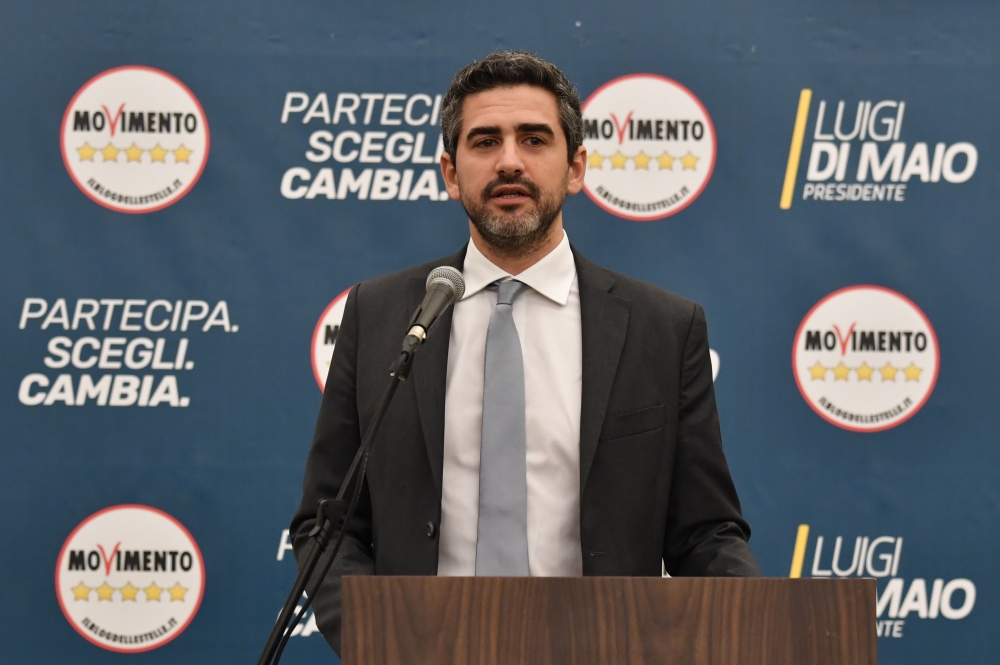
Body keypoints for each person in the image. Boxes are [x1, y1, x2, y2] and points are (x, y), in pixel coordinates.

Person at [290, 50, 760, 656]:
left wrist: (754, 631)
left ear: (575, 167)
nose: (509, 161)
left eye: (534, 139)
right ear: (451, 173)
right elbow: (327, 526)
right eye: (484, 141)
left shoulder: (662, 329)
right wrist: (385, 644)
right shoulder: (380, 316)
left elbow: (706, 533)